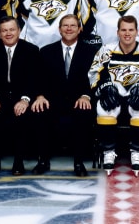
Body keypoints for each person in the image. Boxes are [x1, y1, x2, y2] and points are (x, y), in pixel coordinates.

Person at [89, 15, 139, 176]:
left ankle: (137, 151)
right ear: (117, 32)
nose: (127, 33)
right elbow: (94, 74)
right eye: (123, 30)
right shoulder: (106, 51)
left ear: (137, 32)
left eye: (131, 30)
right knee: (103, 108)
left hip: (136, 97)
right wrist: (104, 87)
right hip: (114, 96)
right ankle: (108, 150)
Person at [38, 14, 100, 177]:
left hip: (79, 99)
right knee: (40, 111)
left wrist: (86, 96)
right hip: (52, 100)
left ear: (80, 29)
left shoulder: (91, 52)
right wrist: (40, 96)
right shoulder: (46, 51)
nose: (69, 29)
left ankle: (78, 162)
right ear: (59, 29)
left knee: (83, 113)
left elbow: (96, 80)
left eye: (73, 26)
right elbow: (39, 79)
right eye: (65, 26)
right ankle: (43, 160)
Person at [0, 16, 46, 176]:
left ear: (19, 31)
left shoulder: (31, 50)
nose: (8, 33)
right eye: (4, 30)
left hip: (21, 97)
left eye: (12, 29)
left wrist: (25, 100)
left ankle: (18, 161)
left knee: (21, 116)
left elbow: (33, 79)